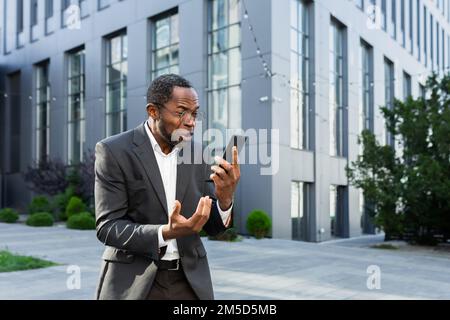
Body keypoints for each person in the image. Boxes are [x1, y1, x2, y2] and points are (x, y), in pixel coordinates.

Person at [94, 74, 240, 300]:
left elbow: (213, 228)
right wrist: (165, 232)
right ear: (153, 111)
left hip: (189, 282)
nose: (191, 121)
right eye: (181, 112)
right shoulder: (113, 151)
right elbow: (108, 227)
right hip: (135, 282)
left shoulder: (197, 153)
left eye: (194, 113)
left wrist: (224, 199)